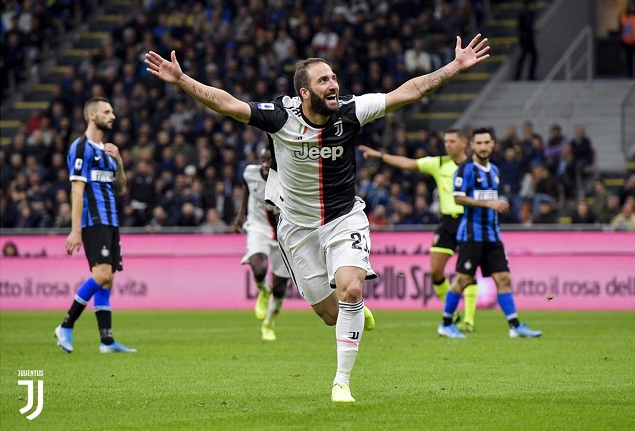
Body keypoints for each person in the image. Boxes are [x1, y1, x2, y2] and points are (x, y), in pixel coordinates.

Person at [145, 33, 490, 402]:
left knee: (351, 288)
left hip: (344, 217)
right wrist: (182, 80)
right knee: (329, 314)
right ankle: (351, 310)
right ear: (304, 94)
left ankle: (341, 381)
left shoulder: (351, 110)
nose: (333, 85)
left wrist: (454, 66)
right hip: (297, 228)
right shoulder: (280, 117)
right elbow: (228, 104)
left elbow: (408, 92)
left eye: (334, 77)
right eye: (323, 80)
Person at [358, 129, 480, 332]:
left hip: (469, 221)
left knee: (466, 272)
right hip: (448, 222)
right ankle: (454, 313)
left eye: (452, 141)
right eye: (446, 141)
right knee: (435, 272)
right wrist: (380, 155)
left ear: (464, 143)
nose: (448, 144)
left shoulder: (474, 167)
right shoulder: (439, 163)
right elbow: (408, 163)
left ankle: (469, 320)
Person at [438, 127, 542, 339]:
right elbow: (458, 198)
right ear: (472, 146)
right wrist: (489, 204)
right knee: (464, 280)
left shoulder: (494, 171)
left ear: (493, 144)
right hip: (471, 234)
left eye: (487, 143)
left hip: (492, 235)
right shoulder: (466, 170)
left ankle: (514, 326)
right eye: (479, 143)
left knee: (503, 278)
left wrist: (497, 205)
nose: (483, 147)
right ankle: (446, 324)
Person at [54, 97, 136, 354]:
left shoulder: (108, 151)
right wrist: (75, 230)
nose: (113, 116)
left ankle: (107, 341)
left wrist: (120, 162)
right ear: (91, 115)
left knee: (108, 279)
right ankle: (66, 325)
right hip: (93, 220)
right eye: (107, 112)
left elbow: (120, 189)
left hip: (111, 221)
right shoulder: (80, 147)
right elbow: (76, 191)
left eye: (112, 111)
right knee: (101, 274)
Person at [233, 148, 289, 341]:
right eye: (263, 159)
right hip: (258, 227)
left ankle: (269, 324)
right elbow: (247, 191)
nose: (265, 164)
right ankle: (264, 291)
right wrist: (241, 216)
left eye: (269, 160)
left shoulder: (289, 177)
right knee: (258, 267)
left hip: (284, 234)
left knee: (280, 288)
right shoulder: (250, 173)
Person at [514, 0, 538, 81]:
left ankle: (525, 75)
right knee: (525, 56)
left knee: (529, 56)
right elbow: (524, 26)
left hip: (529, 38)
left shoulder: (531, 14)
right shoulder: (524, 14)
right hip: (525, 39)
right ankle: (520, 75)